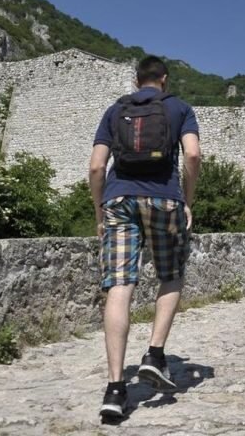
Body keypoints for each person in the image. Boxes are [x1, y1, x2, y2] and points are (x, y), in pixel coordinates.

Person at [89, 55, 202, 419]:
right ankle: (154, 354)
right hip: (165, 200)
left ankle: (115, 389)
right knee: (171, 275)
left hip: (118, 200)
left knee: (119, 287)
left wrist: (98, 210)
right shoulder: (180, 109)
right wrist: (188, 200)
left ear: (137, 81)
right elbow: (194, 156)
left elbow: (95, 166)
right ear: (164, 80)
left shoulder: (114, 111)